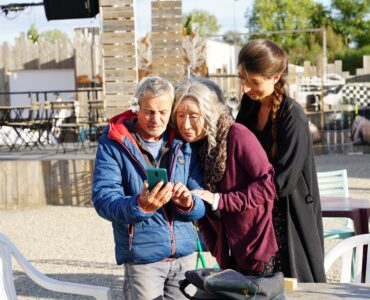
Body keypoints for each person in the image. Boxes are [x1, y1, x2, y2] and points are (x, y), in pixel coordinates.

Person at [92, 76, 206, 300]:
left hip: (184, 256)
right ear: (136, 108)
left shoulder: (182, 142)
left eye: (163, 112)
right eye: (149, 112)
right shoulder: (114, 142)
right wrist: (139, 205)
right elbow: (103, 199)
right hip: (143, 260)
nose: (156, 119)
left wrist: (189, 202)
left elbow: (201, 198)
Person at [235, 39, 326, 282]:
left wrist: (235, 200)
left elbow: (284, 182)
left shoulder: (293, 116)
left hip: (289, 218)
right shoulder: (249, 104)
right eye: (242, 79)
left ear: (276, 77)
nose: (245, 88)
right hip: (257, 215)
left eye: (254, 82)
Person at [171, 79, 278, 276]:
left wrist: (220, 200)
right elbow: (199, 200)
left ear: (209, 113)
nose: (185, 124)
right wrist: (214, 245)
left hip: (257, 247)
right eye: (180, 115)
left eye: (194, 116)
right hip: (227, 253)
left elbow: (269, 185)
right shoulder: (190, 149)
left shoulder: (238, 135)